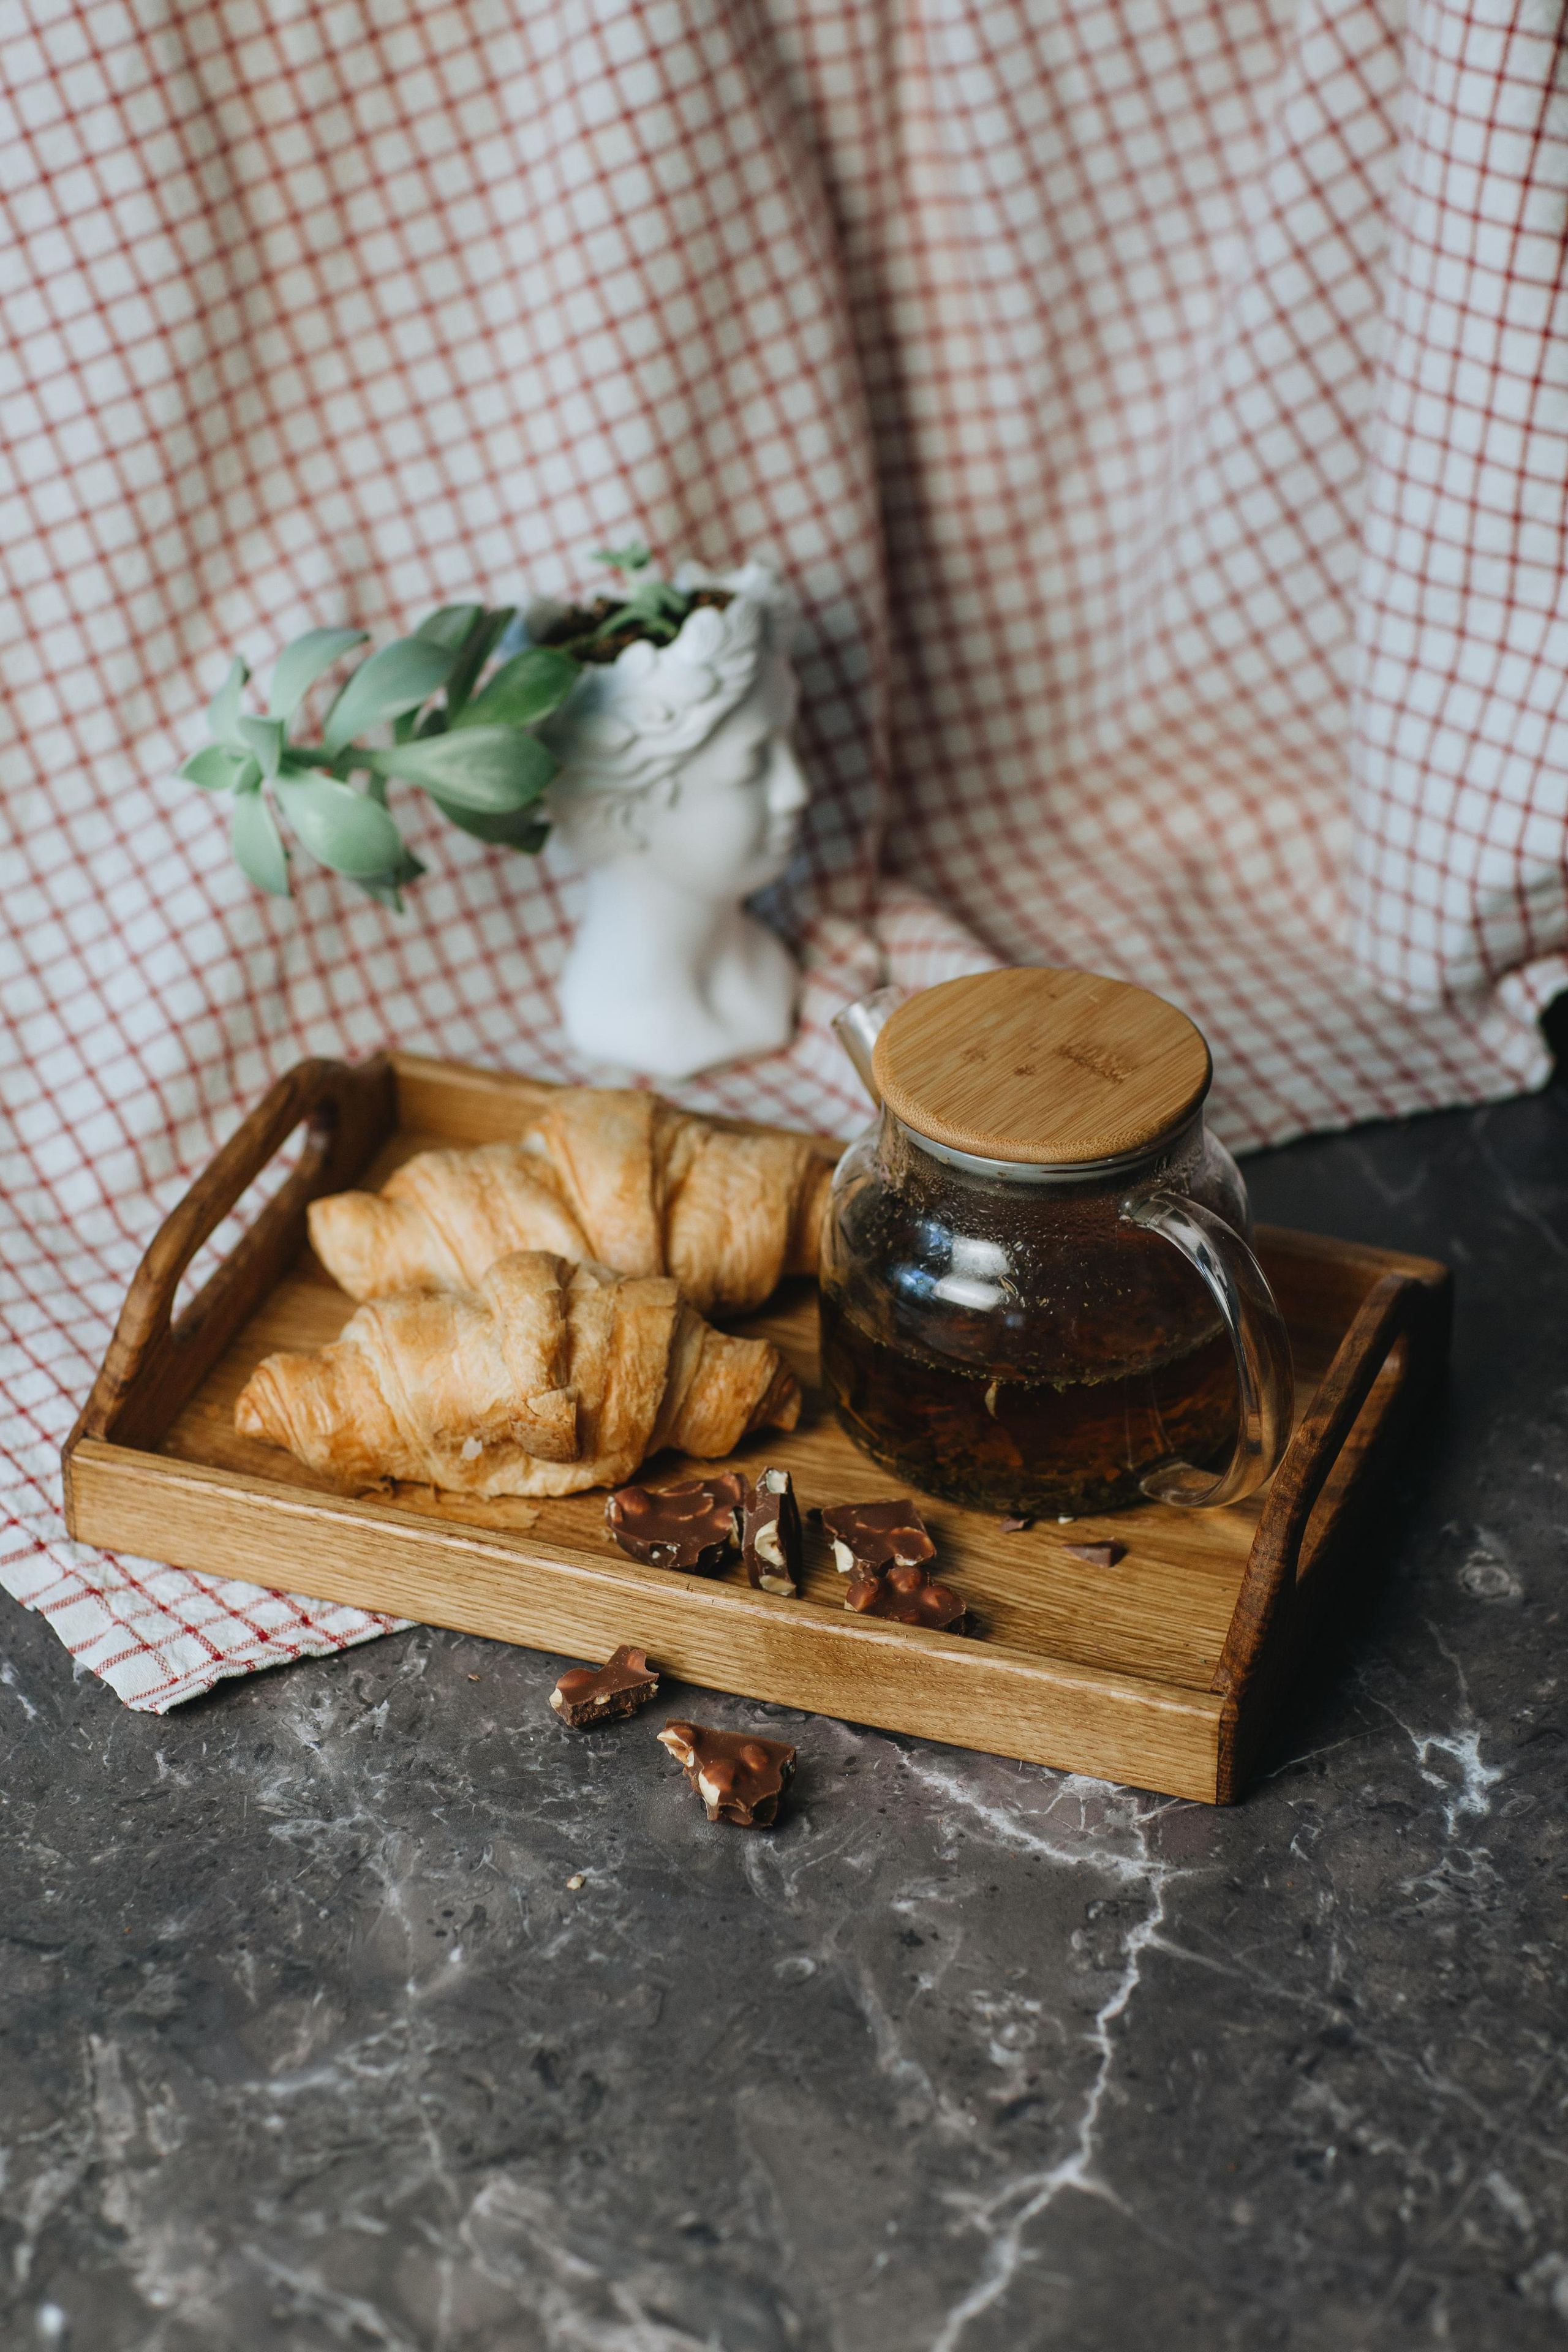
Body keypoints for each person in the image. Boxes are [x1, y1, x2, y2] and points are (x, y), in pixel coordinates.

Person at [543, 562, 810, 1079]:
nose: (796, 790)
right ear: (625, 812)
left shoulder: (764, 974)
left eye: (791, 743)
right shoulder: (618, 1012)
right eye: (753, 762)